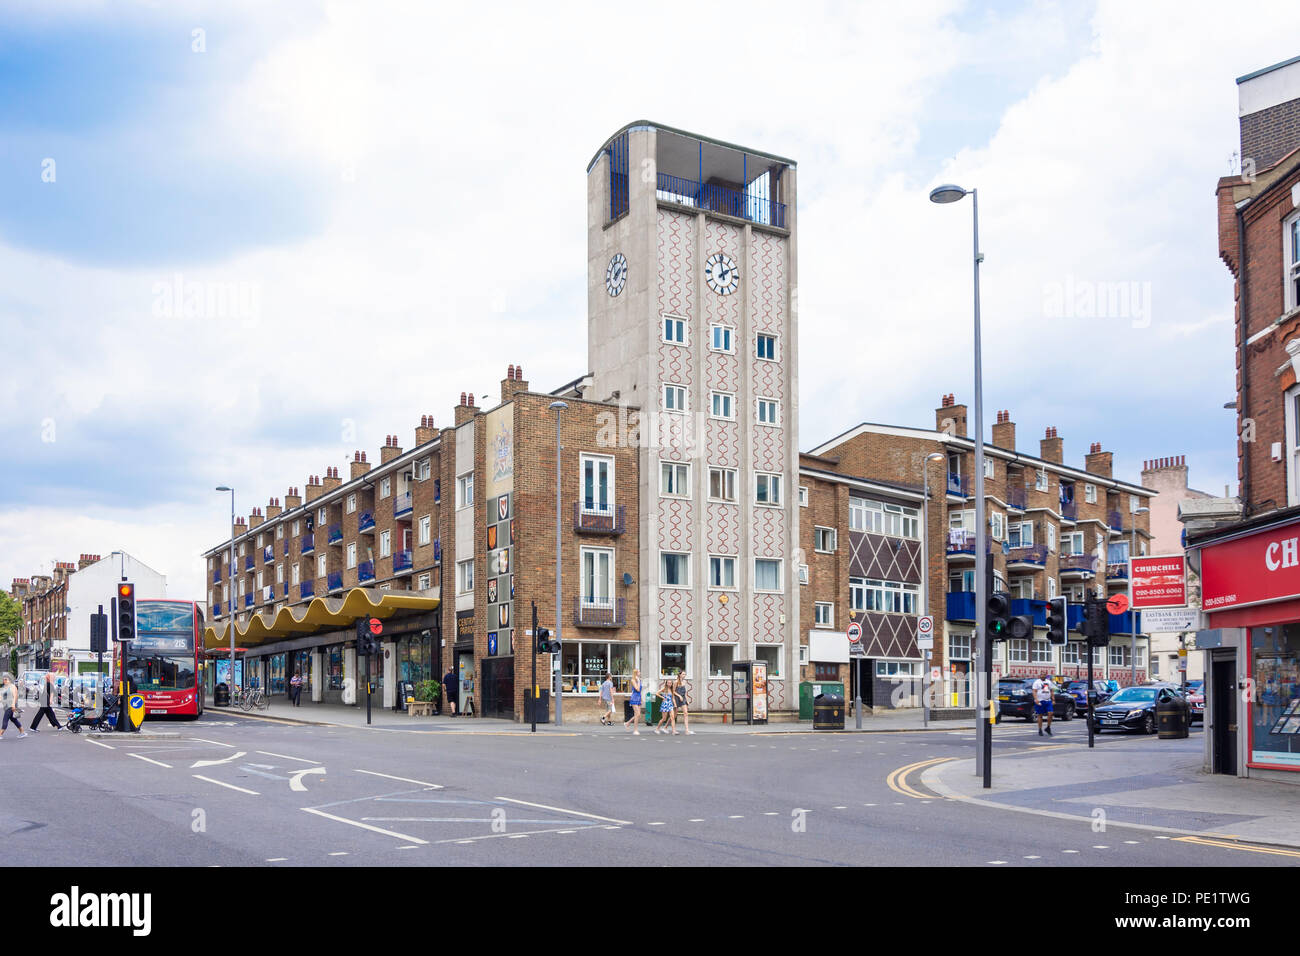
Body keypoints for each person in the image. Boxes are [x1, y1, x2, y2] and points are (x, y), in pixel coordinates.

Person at [1032, 672, 1055, 736]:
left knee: (1050, 713)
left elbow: (1052, 690)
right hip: (1040, 700)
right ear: (1040, 675)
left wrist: (1053, 699)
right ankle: (1040, 729)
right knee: (1040, 715)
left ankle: (1048, 727)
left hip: (1048, 700)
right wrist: (1036, 699)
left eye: (1044, 675)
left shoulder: (1048, 682)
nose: (1043, 676)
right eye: (1041, 674)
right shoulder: (1037, 682)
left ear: (1046, 675)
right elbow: (1034, 691)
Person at [624, 668, 642, 734]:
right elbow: (637, 689)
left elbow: (640, 691)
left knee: (637, 715)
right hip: (634, 698)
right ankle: (635, 730)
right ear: (636, 673)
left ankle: (627, 723)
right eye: (639, 672)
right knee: (638, 714)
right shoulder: (633, 680)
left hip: (639, 698)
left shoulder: (639, 680)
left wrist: (641, 699)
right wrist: (639, 681)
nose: (640, 673)